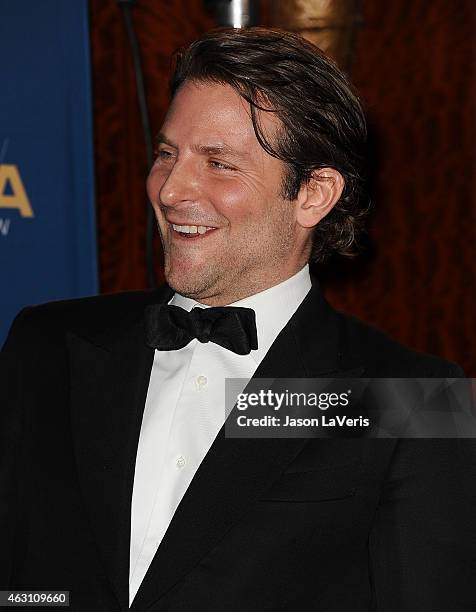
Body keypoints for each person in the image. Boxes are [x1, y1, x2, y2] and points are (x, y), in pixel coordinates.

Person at [1, 27, 474, 612]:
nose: (170, 190)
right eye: (166, 154)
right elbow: (19, 581)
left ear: (314, 194)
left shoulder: (412, 398)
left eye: (219, 164)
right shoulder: (48, 344)